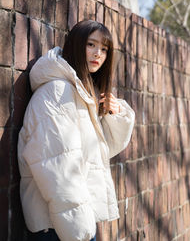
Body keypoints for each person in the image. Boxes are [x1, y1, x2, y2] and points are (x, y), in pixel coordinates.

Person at [18, 20, 135, 241]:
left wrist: (116, 115)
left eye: (104, 49)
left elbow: (101, 151)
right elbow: (58, 169)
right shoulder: (57, 92)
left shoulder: (79, 93)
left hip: (69, 220)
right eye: (91, 44)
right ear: (75, 44)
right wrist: (81, 233)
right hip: (57, 225)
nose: (98, 54)